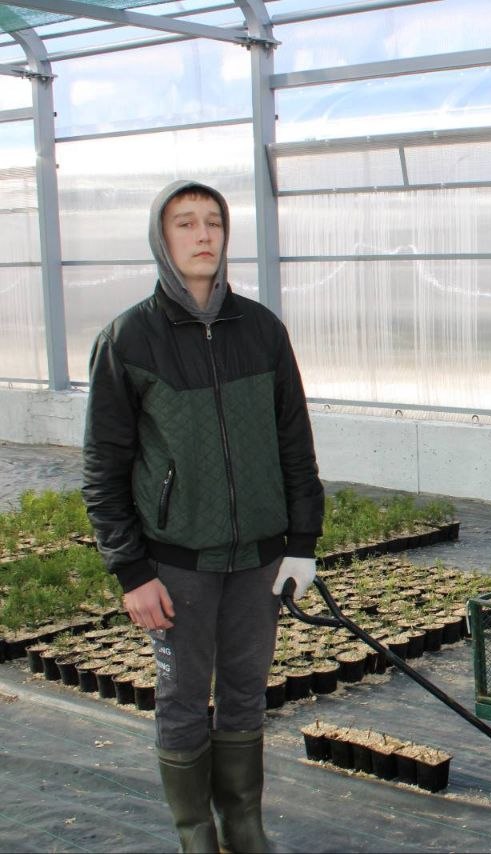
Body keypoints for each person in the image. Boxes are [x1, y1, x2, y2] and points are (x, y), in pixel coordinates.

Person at [82, 180, 324, 853]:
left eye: (213, 221)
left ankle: (243, 823)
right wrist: (132, 571)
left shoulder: (262, 331)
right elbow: (103, 469)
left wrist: (300, 543)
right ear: (162, 240)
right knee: (185, 697)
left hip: (258, 560)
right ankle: (196, 832)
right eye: (185, 223)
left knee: (246, 691)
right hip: (176, 562)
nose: (203, 235)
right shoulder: (129, 340)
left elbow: (294, 446)